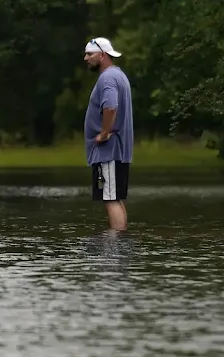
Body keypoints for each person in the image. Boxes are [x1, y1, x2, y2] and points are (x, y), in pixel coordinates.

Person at [83, 37, 133, 231]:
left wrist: (104, 133)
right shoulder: (117, 75)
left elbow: (110, 107)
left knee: (110, 198)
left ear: (102, 55)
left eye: (90, 54)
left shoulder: (108, 78)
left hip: (108, 151)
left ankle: (114, 248)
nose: (86, 58)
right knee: (114, 197)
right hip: (115, 152)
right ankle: (119, 244)